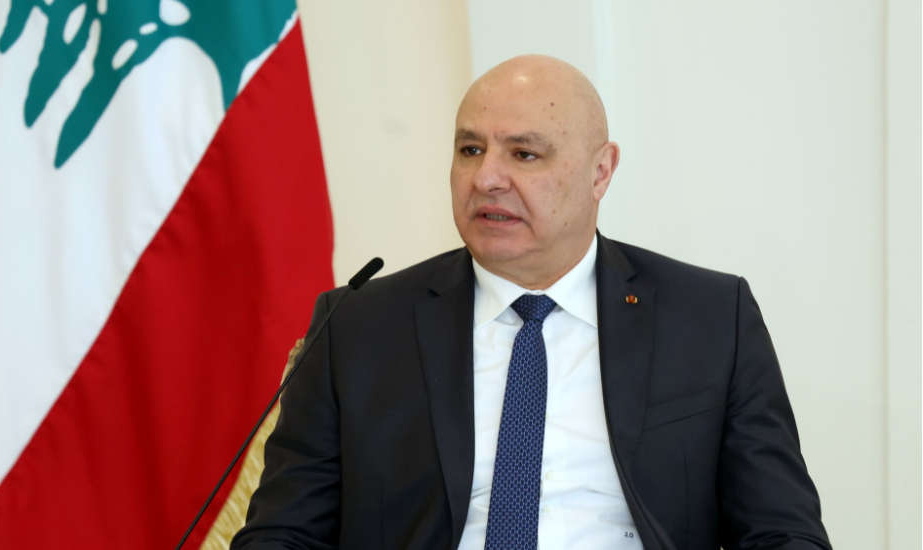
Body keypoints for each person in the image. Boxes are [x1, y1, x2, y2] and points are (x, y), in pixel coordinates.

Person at [230, 55, 830, 550]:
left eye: (524, 154)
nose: (486, 178)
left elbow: (783, 531)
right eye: (470, 150)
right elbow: (283, 533)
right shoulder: (358, 326)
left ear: (601, 172)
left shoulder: (709, 318)